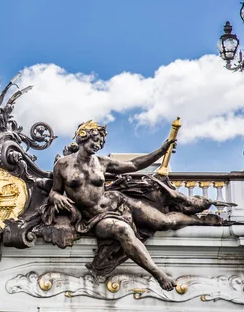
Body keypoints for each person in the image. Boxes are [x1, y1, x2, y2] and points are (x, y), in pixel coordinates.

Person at [49, 120, 177, 290]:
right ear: (82, 137)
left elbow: (134, 165)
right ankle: (158, 273)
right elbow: (54, 191)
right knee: (122, 230)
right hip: (93, 219)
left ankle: (201, 220)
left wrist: (162, 151)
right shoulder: (63, 164)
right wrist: (56, 197)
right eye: (94, 140)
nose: (97, 145)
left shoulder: (102, 162)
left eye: (101, 142)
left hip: (116, 204)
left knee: (162, 222)